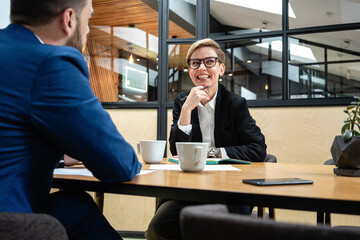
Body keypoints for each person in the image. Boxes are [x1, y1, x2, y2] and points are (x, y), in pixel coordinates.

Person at [0, 1, 142, 240]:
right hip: (9, 223)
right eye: (88, 20)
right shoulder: (51, 62)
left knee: (74, 206)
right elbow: (120, 164)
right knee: (77, 209)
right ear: (68, 20)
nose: (87, 30)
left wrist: (57, 156)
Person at [145, 38, 266, 240]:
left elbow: (258, 148)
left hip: (230, 192)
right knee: (158, 229)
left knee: (232, 232)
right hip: (190, 192)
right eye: (195, 63)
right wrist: (186, 110)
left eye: (209, 62)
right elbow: (176, 151)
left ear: (221, 69)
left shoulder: (235, 104)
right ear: (190, 70)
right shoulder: (182, 102)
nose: (201, 67)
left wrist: (214, 153)